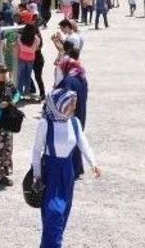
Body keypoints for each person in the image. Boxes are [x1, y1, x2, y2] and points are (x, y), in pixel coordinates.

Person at [31, 89, 101, 248]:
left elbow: (84, 145)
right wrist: (36, 174)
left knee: (63, 213)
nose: (74, 107)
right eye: (71, 104)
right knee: (53, 213)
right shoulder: (45, 124)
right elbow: (36, 151)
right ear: (60, 104)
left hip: (68, 173)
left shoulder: (74, 123)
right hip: (50, 174)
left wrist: (93, 164)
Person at [55, 52, 88, 179]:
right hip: (81, 111)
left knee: (68, 140)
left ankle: (72, 168)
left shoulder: (68, 81)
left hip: (70, 113)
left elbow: (64, 98)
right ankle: (77, 167)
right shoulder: (82, 76)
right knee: (77, 137)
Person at [16, 24, 41, 98]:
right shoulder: (36, 39)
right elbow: (36, 48)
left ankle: (19, 92)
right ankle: (27, 92)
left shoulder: (20, 38)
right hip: (31, 59)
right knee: (28, 75)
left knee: (21, 76)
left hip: (22, 57)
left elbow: (19, 47)